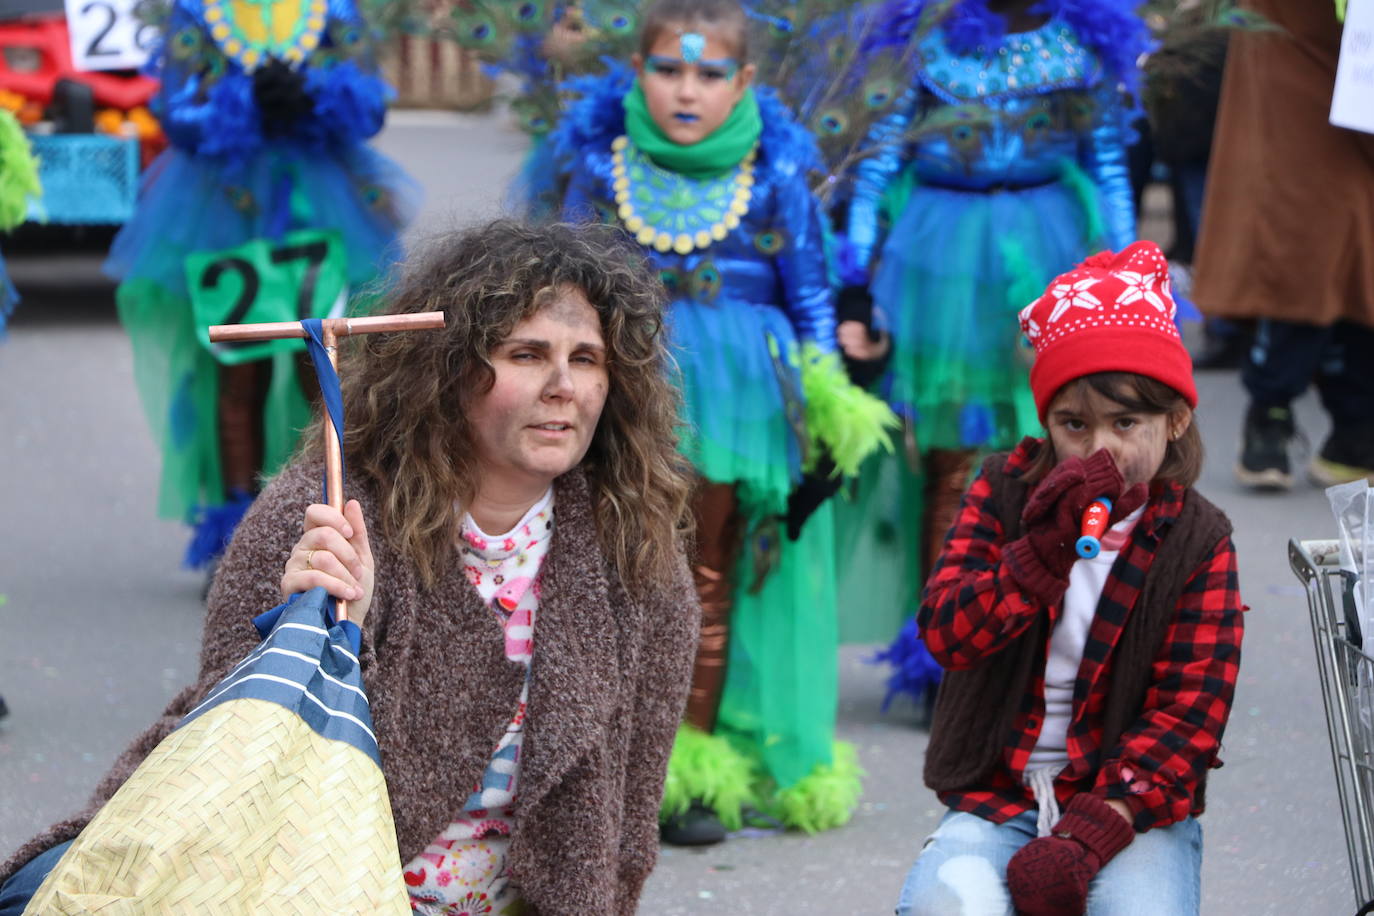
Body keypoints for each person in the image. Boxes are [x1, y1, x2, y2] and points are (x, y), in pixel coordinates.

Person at [0, 220, 700, 915]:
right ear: (450, 369)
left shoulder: (633, 548)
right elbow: (237, 759)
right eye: (525, 353)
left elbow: (627, 823)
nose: (562, 385)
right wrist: (331, 629)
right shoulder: (320, 510)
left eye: (587, 359)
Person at [552, 0, 894, 843]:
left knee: (703, 569)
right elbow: (557, 282)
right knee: (607, 565)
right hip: (631, 390)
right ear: (637, 72)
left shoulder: (775, 171)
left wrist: (829, 407)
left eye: (709, 73)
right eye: (669, 68)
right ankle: (595, 756)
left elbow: (810, 295)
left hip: (738, 406)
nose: (687, 89)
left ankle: (691, 764)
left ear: (743, 81)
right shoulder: (602, 166)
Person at [895, 241, 1244, 916]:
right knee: (946, 906)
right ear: (1047, 423)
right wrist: (1035, 561)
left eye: (1126, 422)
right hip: (1002, 794)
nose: (1099, 449)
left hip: (1127, 806)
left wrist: (1090, 834)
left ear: (1174, 422)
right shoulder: (1000, 492)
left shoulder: (1200, 540)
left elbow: (1190, 714)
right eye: (1074, 424)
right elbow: (944, 635)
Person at [105, 0, 419, 575]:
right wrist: (243, 105)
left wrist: (313, 97)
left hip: (319, 211)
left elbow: (370, 103)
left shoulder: (333, 11)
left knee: (324, 373)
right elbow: (175, 111)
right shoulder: (198, 14)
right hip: (225, 209)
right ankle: (238, 541)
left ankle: (336, 528)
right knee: (236, 376)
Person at [1191, 0, 1374, 490]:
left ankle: (1352, 426)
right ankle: (1271, 414)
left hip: (1346, 84)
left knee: (1356, 267)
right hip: (1307, 94)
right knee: (1305, 260)